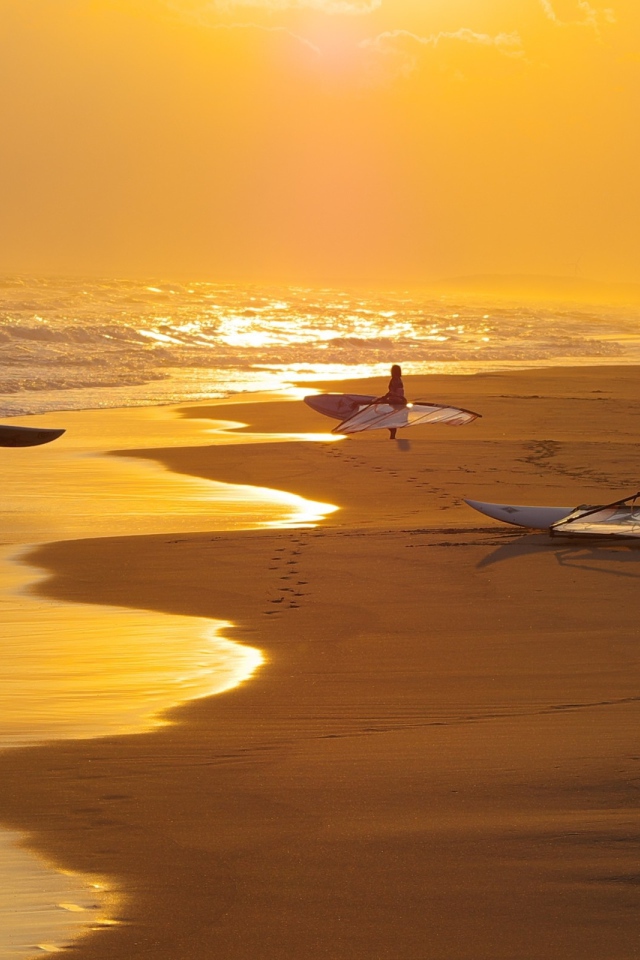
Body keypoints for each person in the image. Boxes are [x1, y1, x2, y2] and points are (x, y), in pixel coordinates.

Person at [379, 363, 406, 439]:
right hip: (399, 400)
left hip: (394, 400)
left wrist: (387, 396)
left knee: (388, 416)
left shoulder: (394, 379)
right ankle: (392, 434)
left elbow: (393, 391)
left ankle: (392, 433)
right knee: (392, 416)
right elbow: (400, 391)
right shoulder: (399, 379)